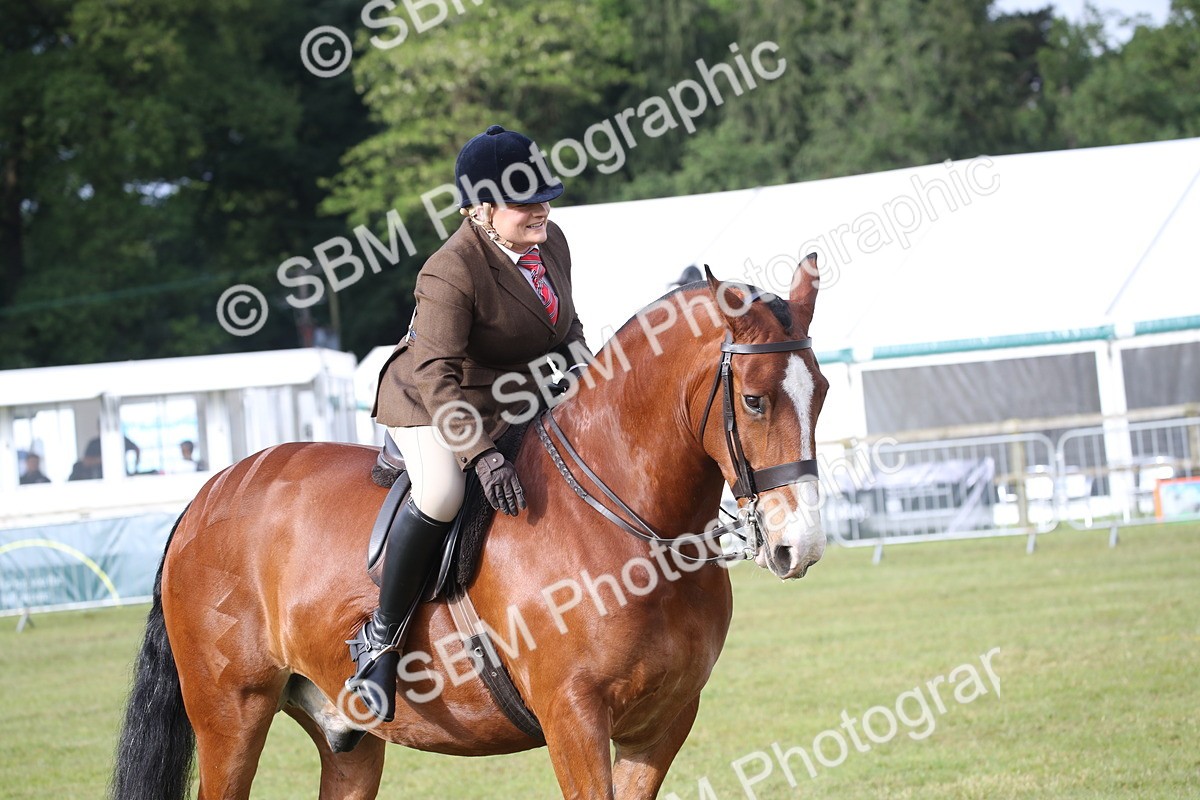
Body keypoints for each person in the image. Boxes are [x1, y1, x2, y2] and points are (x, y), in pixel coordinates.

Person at [347, 125, 590, 722]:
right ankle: (379, 640)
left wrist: (594, 382)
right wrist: (481, 455)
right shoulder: (450, 269)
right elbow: (434, 374)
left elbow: (567, 329)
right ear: (481, 208)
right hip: (431, 400)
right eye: (525, 202)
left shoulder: (551, 243)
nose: (541, 210)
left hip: (511, 393)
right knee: (442, 491)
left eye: (544, 197)